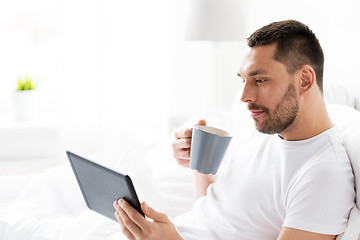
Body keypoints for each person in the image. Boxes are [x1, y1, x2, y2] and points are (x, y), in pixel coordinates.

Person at [113, 20, 355, 240]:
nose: (244, 96)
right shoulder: (269, 133)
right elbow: (217, 215)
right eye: (243, 80)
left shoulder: (323, 174)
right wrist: (199, 162)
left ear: (304, 80)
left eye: (260, 80)